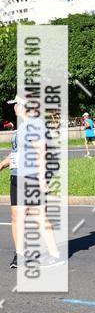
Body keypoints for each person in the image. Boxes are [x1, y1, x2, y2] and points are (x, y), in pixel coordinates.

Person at [0, 96, 63, 268]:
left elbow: (41, 151)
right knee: (16, 216)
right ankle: (19, 255)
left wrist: (43, 179)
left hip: (32, 176)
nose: (13, 108)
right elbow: (16, 153)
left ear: (22, 107)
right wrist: (2, 165)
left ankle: (54, 254)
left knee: (38, 215)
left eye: (15, 105)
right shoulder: (21, 128)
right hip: (16, 176)